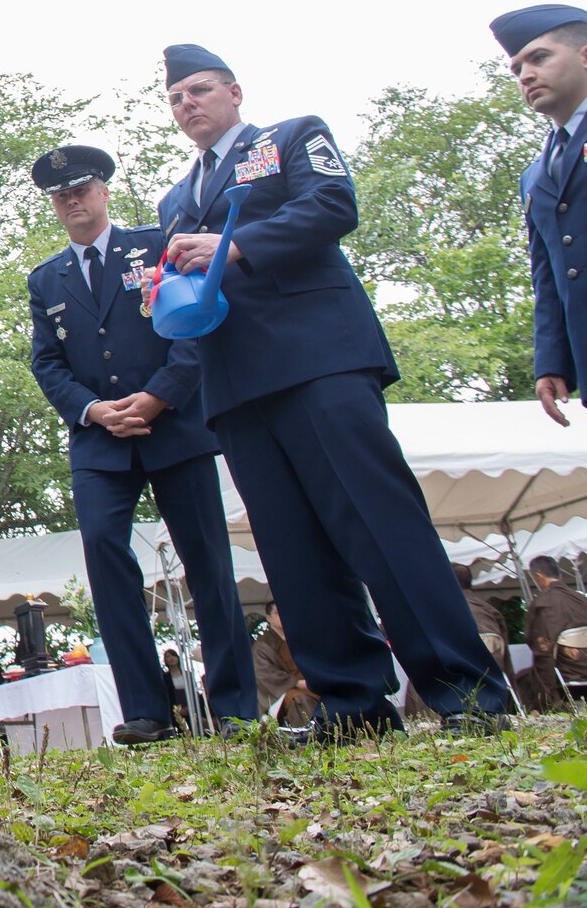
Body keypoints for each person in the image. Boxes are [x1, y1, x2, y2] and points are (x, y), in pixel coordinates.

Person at [156, 44, 512, 738]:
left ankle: (465, 692)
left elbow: (331, 205)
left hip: (318, 360)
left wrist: (233, 248)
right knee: (293, 552)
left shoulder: (290, 138)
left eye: (198, 89)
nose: (187, 103)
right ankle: (353, 704)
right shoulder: (175, 198)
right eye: (175, 97)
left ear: (234, 90)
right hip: (234, 385)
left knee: (380, 524)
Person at [26, 144, 258, 744]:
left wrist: (160, 395)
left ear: (104, 190)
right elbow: (47, 362)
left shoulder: (157, 244)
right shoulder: (45, 278)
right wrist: (92, 409)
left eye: (81, 188)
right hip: (100, 442)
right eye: (61, 194)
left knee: (208, 561)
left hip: (173, 424)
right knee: (105, 556)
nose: (72, 200)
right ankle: (147, 712)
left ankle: (235, 709)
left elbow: (195, 326)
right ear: (54, 206)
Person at [489, 4, 587, 430]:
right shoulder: (535, 175)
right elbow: (549, 275)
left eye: (539, 58)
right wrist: (551, 359)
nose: (526, 76)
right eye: (517, 69)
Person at [526, 555, 587, 702]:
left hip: (568, 672)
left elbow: (537, 644)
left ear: (538, 576)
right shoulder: (584, 600)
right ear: (559, 575)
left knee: (526, 678)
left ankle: (550, 708)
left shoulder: (542, 603)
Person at [251, 601, 318, 726]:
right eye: (277, 613)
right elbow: (264, 674)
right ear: (268, 618)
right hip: (282, 692)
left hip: (310, 685)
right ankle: (307, 736)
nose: (282, 616)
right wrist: (296, 683)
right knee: (300, 700)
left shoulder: (298, 638)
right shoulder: (262, 645)